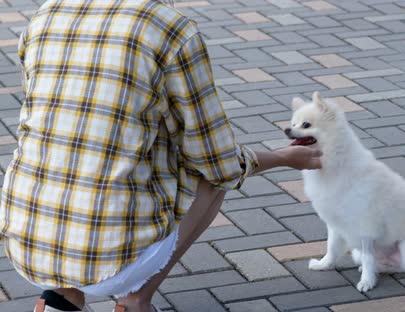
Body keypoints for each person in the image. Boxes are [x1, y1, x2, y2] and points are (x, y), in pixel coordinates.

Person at [0, 0, 322, 311]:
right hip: (112, 258)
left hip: (27, 243)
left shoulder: (47, 13)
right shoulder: (171, 29)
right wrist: (284, 157)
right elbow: (218, 162)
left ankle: (60, 299)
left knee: (81, 153)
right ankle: (136, 300)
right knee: (207, 177)